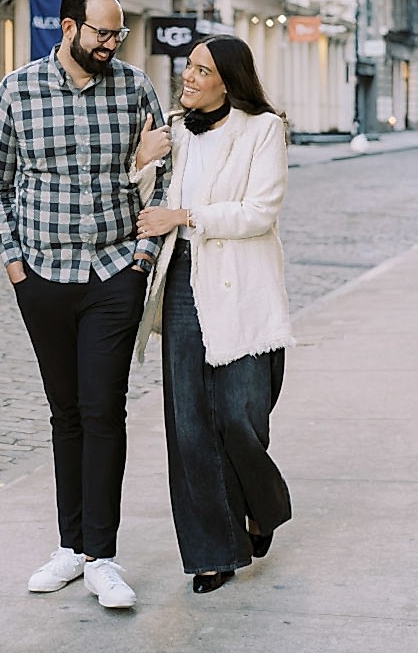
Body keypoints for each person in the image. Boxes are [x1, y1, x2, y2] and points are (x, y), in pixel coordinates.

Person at [0, 0, 171, 610]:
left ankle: (104, 557)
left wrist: (141, 260)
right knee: (65, 412)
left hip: (114, 272)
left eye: (118, 34)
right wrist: (16, 267)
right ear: (67, 28)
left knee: (103, 409)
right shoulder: (18, 89)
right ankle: (71, 546)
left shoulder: (136, 87)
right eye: (101, 33)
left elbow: (165, 172)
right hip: (42, 277)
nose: (111, 45)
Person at [134, 35, 294, 594]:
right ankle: (210, 552)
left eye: (201, 70)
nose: (189, 76)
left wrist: (183, 214)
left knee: (239, 417)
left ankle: (262, 504)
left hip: (242, 289)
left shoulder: (263, 129)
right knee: (189, 423)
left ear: (228, 79)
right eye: (188, 66)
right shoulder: (177, 130)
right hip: (183, 281)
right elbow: (143, 199)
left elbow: (258, 211)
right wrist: (141, 160)